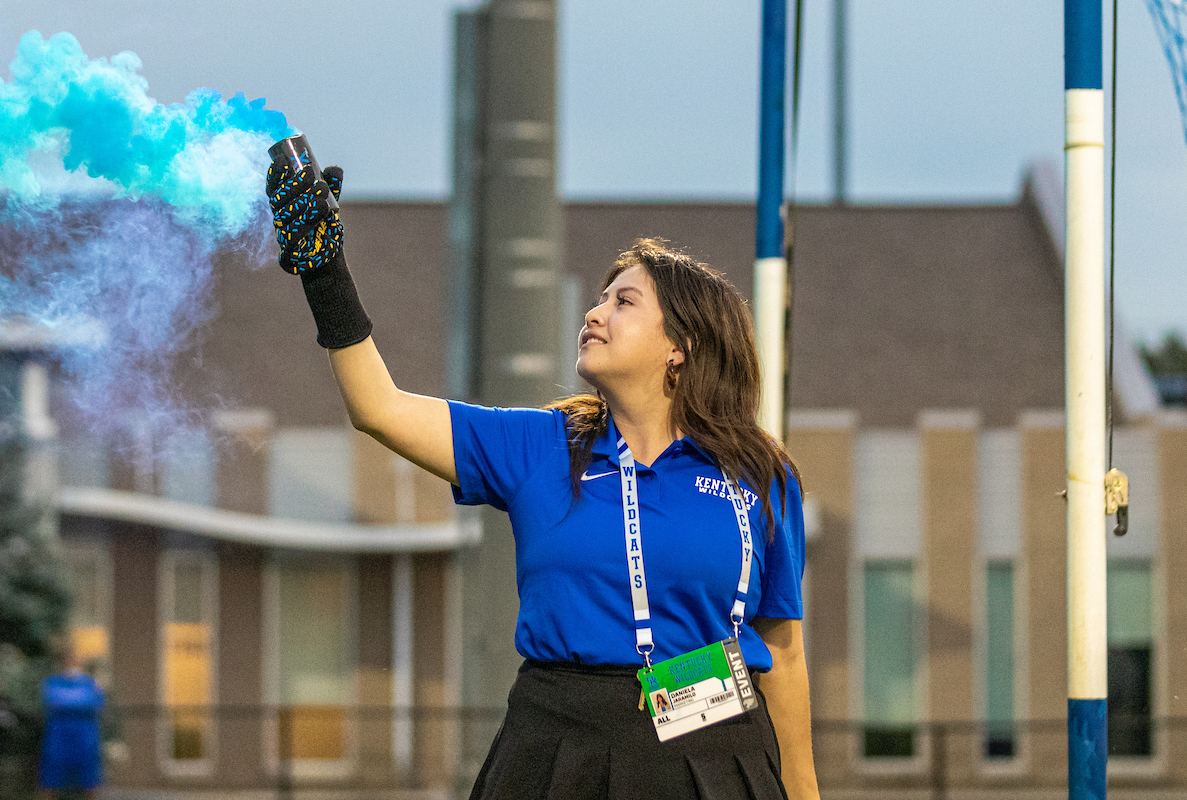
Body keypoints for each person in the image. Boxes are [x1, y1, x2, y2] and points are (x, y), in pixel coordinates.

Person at [266, 156, 820, 799]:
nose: (593, 313)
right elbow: (378, 408)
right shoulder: (537, 447)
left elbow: (781, 652)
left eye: (624, 301)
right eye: (598, 298)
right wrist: (322, 270)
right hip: (557, 749)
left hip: (715, 754)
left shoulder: (761, 475)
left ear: (681, 345)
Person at [38, 643, 105, 800]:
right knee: (49, 782)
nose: (72, 663)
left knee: (90, 784)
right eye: (69, 659)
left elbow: (94, 703)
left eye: (75, 660)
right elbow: (55, 700)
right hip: (58, 741)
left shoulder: (90, 684)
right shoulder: (53, 683)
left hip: (85, 741)